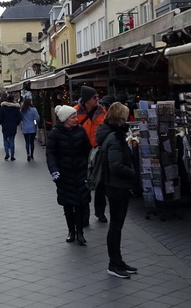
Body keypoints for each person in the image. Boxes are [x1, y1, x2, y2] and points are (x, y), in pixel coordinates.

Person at [96, 102, 139, 279]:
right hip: (116, 187)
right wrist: (133, 173)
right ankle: (114, 264)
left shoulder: (113, 135)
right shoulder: (114, 138)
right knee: (115, 227)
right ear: (120, 118)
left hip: (116, 186)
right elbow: (115, 166)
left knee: (117, 226)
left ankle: (118, 261)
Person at [46, 105, 92, 245]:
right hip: (64, 174)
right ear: (65, 119)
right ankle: (71, 231)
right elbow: (51, 154)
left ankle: (80, 232)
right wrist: (54, 170)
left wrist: (89, 166)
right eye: (73, 117)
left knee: (79, 204)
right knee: (67, 204)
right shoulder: (55, 134)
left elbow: (88, 150)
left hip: (80, 172)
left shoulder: (81, 131)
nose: (76, 119)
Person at [74, 85, 106, 224]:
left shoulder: (101, 111)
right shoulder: (75, 112)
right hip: (82, 151)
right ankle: (85, 216)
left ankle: (100, 212)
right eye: (95, 97)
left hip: (98, 150)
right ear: (87, 100)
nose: (97, 99)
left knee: (100, 182)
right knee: (84, 184)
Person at [0, 93, 22, 161]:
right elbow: (19, 117)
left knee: (5, 140)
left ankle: (7, 153)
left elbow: (0, 117)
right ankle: (12, 155)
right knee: (12, 140)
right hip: (13, 126)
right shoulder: (16, 108)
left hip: (5, 126)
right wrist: (16, 123)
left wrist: (2, 122)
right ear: (13, 100)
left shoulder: (3, 107)